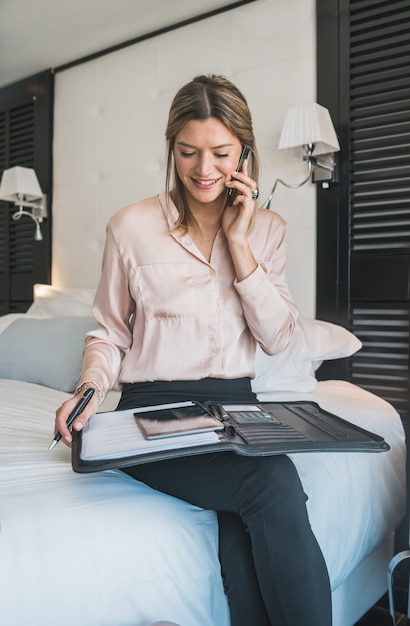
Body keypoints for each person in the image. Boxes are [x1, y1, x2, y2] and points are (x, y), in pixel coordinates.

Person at [55, 74, 332, 626]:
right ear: (171, 149)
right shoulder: (130, 227)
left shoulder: (269, 230)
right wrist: (88, 390)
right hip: (151, 413)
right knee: (271, 482)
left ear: (245, 154)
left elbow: (279, 338)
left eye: (221, 154)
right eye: (188, 152)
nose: (204, 170)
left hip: (236, 410)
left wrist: (238, 241)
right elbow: (110, 332)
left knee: (246, 512)